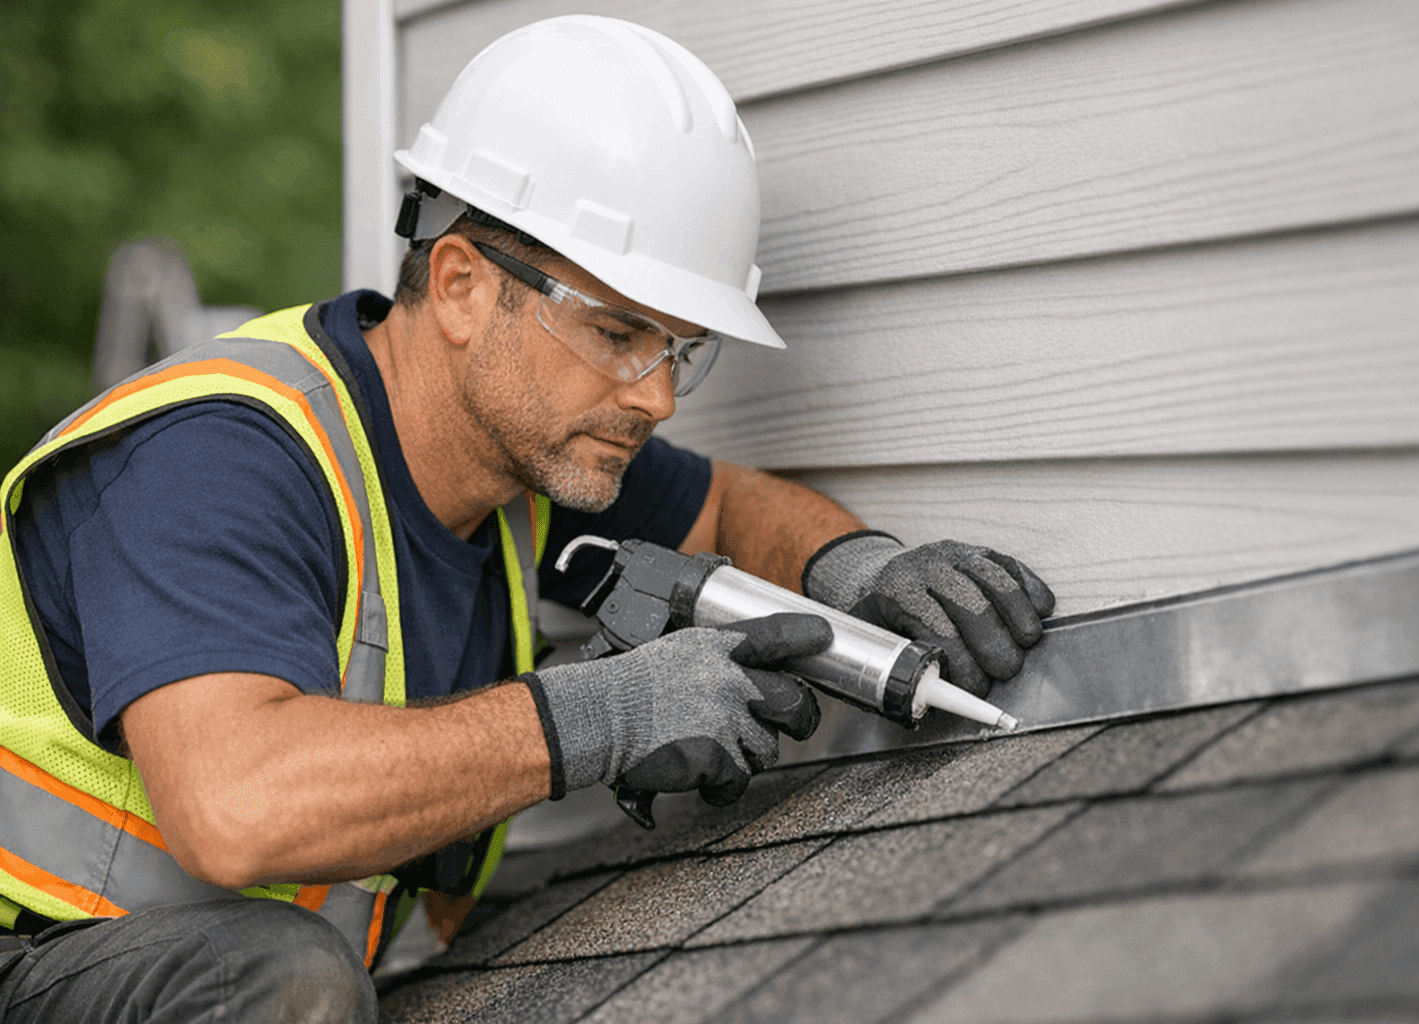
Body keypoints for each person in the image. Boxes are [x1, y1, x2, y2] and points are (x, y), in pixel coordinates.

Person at [0, 15, 1054, 1022]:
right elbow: (239, 807)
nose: (657, 396)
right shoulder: (219, 457)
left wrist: (859, 573)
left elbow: (731, 504)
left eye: (680, 348)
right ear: (460, 287)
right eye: (616, 332)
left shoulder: (522, 459)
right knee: (282, 977)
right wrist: (602, 713)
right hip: (34, 961)